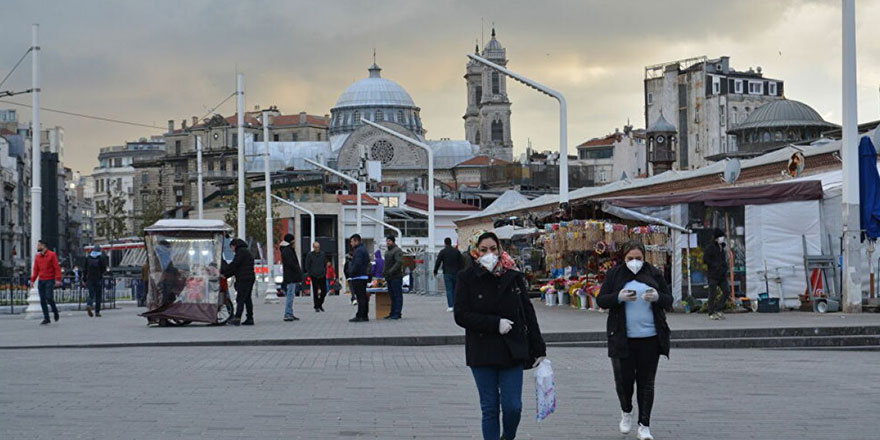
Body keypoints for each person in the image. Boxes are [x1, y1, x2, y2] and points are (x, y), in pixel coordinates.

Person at [454, 231, 546, 440]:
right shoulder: (466, 277)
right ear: (475, 252)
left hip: (511, 349)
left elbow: (527, 311)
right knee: (490, 408)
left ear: (500, 250)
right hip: (482, 350)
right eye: (484, 249)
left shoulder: (512, 275)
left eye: (493, 249)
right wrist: (494, 324)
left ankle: (508, 437)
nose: (489, 254)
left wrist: (538, 346)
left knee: (513, 407)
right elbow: (461, 315)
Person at [596, 240, 673, 440]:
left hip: (650, 337)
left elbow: (669, 299)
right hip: (622, 337)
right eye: (631, 259)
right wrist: (618, 297)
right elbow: (601, 300)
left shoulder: (654, 273)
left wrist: (657, 297)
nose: (635, 262)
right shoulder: (615, 274)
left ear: (644, 258)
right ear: (624, 258)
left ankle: (644, 425)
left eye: (638, 259)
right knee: (624, 381)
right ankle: (626, 411)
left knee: (647, 383)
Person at [221, 238, 256, 326]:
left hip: (244, 278)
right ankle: (249, 318)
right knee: (247, 298)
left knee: (240, 298)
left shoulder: (241, 252)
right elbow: (236, 267)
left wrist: (225, 274)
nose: (232, 250)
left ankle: (237, 317)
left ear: (234, 245)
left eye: (231, 247)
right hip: (249, 278)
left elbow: (235, 265)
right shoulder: (246, 251)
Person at [31, 239, 62, 325]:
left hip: (50, 279)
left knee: (49, 297)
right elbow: (36, 269)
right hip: (41, 280)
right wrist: (33, 280)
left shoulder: (52, 255)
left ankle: (55, 311)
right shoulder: (37, 257)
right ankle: (46, 318)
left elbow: (56, 267)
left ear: (43, 246)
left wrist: (58, 279)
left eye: (39, 245)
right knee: (42, 300)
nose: (37, 247)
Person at [702, 228, 731, 320]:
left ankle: (718, 308)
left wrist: (725, 268)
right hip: (713, 274)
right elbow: (705, 260)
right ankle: (711, 312)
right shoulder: (710, 248)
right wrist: (715, 265)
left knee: (726, 291)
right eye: (721, 237)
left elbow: (723, 260)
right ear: (716, 238)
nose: (723, 239)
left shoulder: (722, 248)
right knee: (712, 294)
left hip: (722, 275)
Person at [435, 237, 465, 312]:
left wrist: (435, 270)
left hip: (447, 273)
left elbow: (438, 261)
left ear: (445, 243)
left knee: (449, 289)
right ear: (451, 243)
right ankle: (456, 305)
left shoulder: (443, 251)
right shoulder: (456, 251)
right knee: (455, 289)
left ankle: (450, 306)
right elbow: (461, 262)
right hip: (456, 272)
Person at [347, 234, 371, 322]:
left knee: (360, 297)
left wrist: (351, 271)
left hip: (359, 276)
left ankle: (360, 315)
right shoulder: (363, 249)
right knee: (363, 296)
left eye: (352, 241)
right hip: (362, 276)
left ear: (356, 241)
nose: (351, 243)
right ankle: (364, 315)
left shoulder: (359, 251)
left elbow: (357, 263)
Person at [280, 233, 303, 322]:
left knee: (291, 294)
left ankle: (290, 312)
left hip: (290, 276)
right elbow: (292, 263)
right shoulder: (287, 250)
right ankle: (288, 313)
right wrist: (298, 270)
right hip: (291, 276)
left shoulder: (286, 250)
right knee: (290, 295)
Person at [383, 235, 404, 320]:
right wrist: (384, 272)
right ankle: (392, 312)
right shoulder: (387, 252)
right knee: (392, 296)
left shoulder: (397, 250)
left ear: (393, 241)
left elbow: (398, 263)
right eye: (387, 240)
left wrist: (390, 271)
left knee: (397, 295)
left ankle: (397, 313)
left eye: (389, 241)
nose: (387, 242)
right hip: (389, 277)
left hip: (396, 276)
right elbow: (387, 264)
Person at [304, 241, 328, 312]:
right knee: (315, 291)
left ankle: (320, 303)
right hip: (314, 275)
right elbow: (307, 265)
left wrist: (324, 271)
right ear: (313, 247)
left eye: (318, 247)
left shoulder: (323, 254)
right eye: (316, 247)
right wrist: (310, 273)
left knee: (324, 291)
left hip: (322, 275)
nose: (317, 248)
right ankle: (316, 306)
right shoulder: (310, 255)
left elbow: (324, 264)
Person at [84, 245, 107, 317]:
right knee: (98, 296)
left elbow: (85, 269)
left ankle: (89, 304)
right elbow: (104, 268)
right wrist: (101, 274)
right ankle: (97, 312)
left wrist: (84, 279)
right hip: (98, 278)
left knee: (91, 294)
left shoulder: (88, 258)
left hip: (90, 279)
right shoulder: (101, 258)